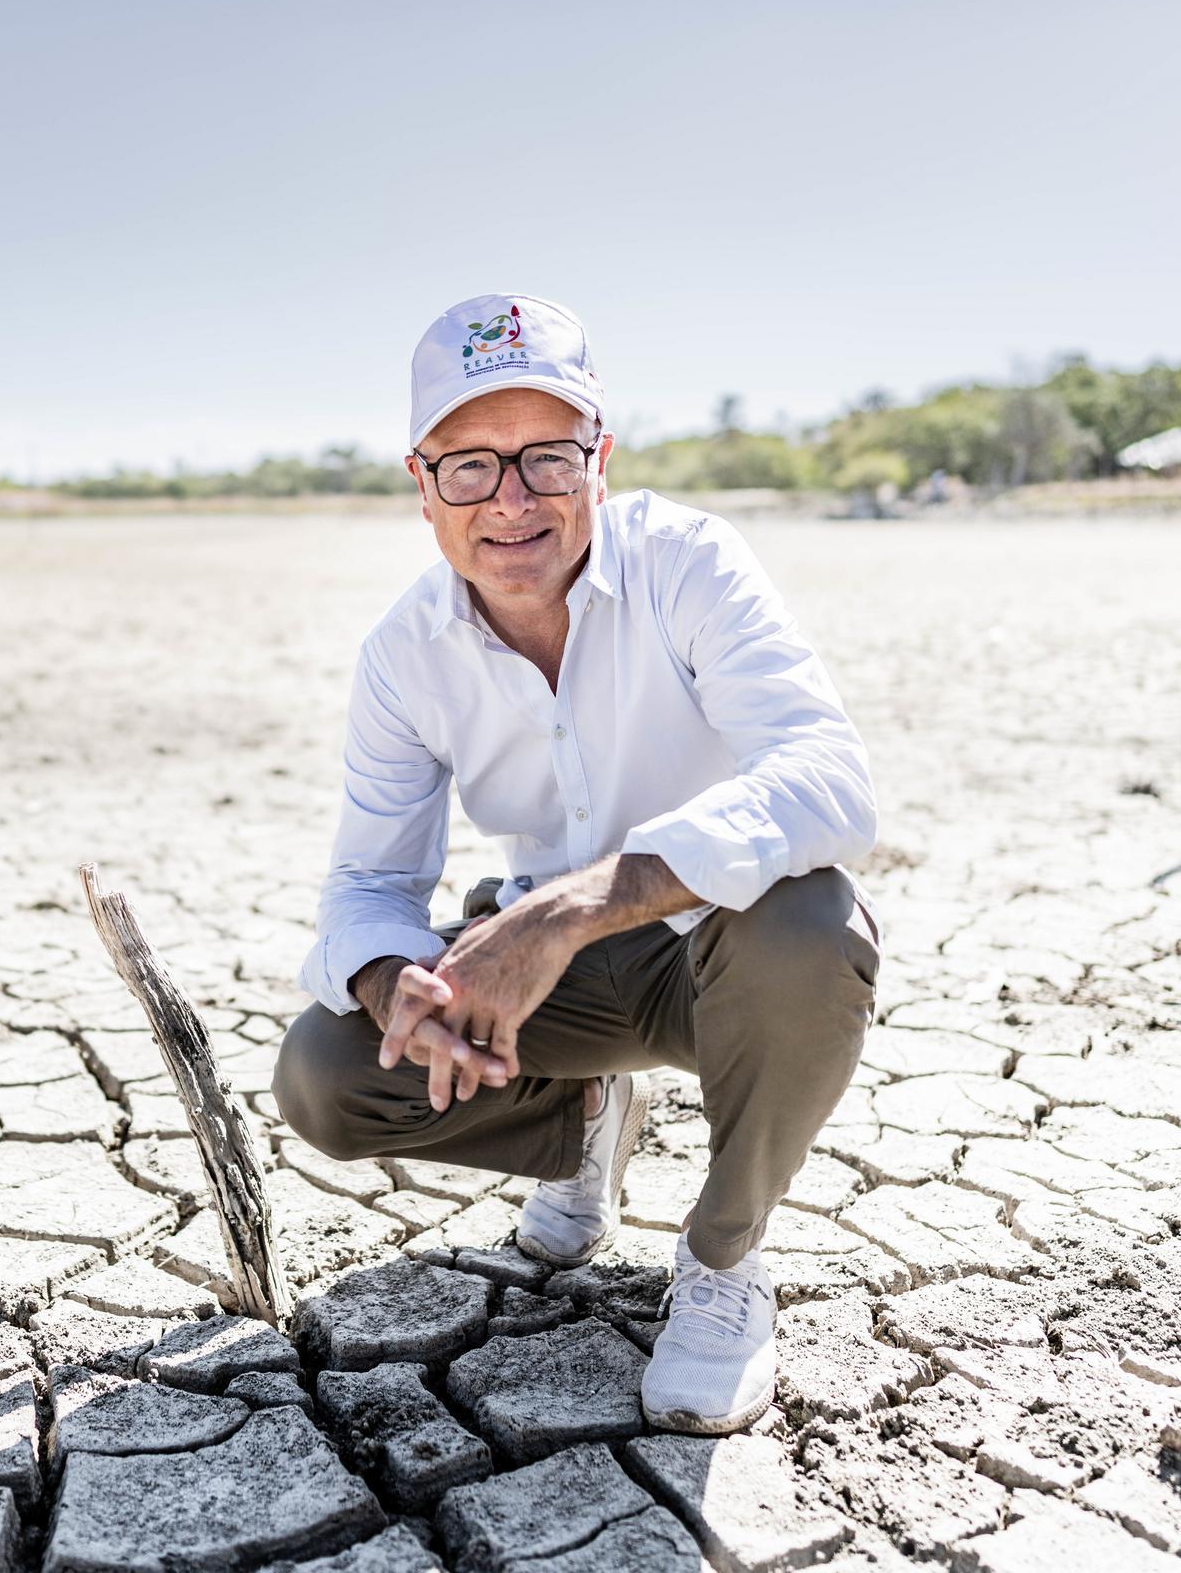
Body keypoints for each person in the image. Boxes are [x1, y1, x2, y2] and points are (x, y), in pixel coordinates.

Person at [272, 293, 883, 1435]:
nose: (510, 500)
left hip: (721, 965)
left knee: (811, 924)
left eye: (546, 459)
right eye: (470, 466)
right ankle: (583, 1115)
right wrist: (391, 980)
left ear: (598, 461)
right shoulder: (405, 655)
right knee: (328, 1070)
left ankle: (723, 1259)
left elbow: (831, 778)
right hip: (553, 1000)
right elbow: (367, 887)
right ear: (422, 481)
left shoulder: (689, 561)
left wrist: (569, 909)